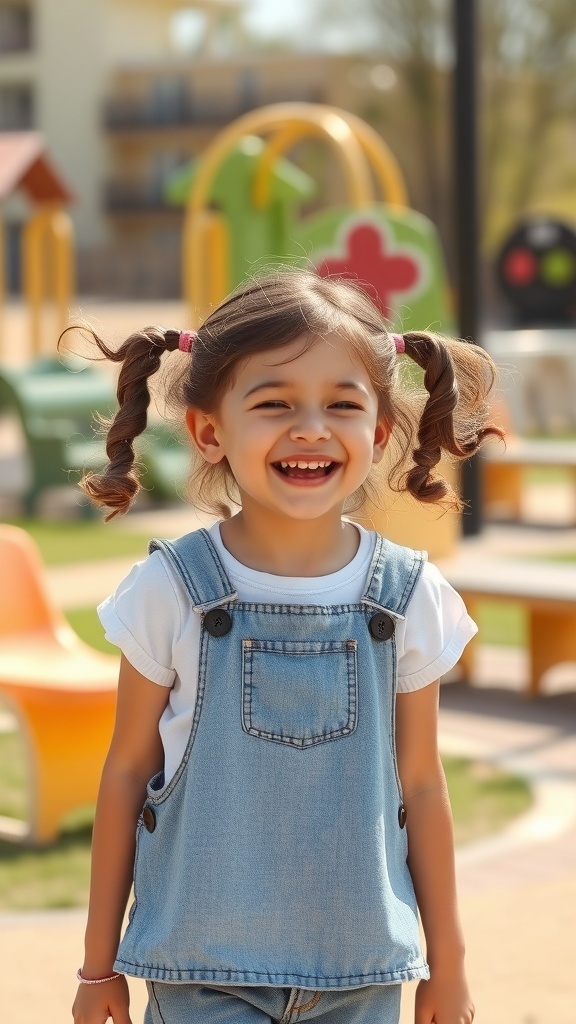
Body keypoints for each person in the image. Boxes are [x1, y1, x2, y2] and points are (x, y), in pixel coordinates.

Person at [71, 270, 502, 1024]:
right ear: (210, 431)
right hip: (200, 973)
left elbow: (424, 790)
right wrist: (96, 965)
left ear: (376, 432)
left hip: (363, 974)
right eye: (274, 404)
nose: (311, 428)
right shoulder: (169, 590)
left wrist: (450, 965)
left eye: (342, 404)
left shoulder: (408, 599)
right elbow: (127, 772)